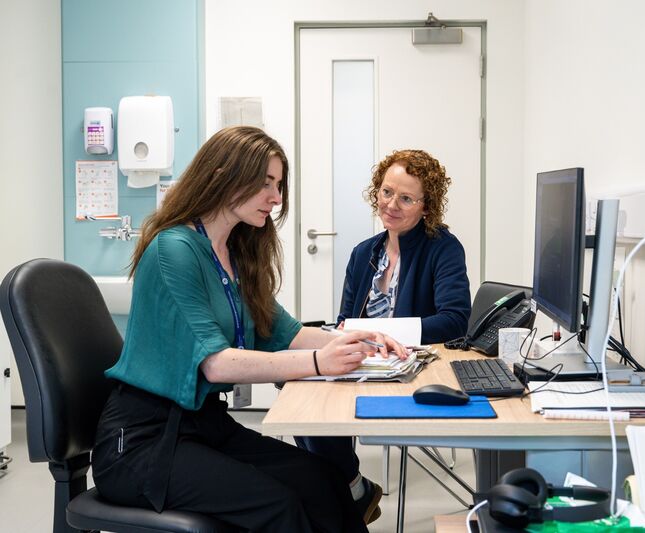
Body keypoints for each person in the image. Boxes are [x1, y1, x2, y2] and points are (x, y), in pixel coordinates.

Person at [91, 126, 405, 532]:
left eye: (278, 185)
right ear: (222, 175)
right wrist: (318, 361)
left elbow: (285, 332)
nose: (276, 198)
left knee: (324, 479)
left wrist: (354, 341)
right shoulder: (174, 250)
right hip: (144, 442)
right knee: (279, 506)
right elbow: (216, 366)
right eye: (265, 184)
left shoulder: (234, 252)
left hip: (203, 425)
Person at [295, 149, 471, 516]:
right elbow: (345, 318)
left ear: (426, 206)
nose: (392, 204)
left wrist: (380, 333)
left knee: (317, 400)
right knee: (303, 394)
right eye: (387, 191)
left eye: (406, 198)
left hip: (413, 366)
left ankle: (345, 497)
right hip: (367, 360)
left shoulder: (443, 248)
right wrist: (350, 334)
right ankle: (350, 489)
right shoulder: (364, 254)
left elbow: (455, 320)